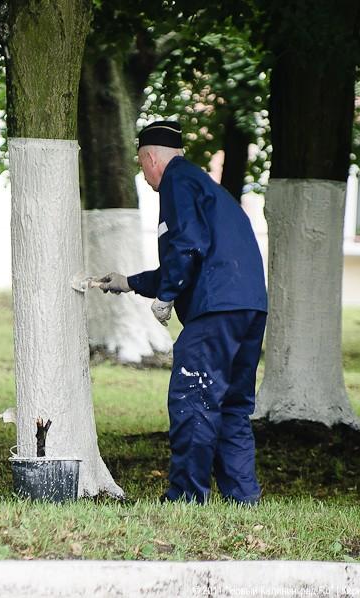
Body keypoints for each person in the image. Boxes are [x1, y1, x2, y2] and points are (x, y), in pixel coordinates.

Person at [90, 120, 268, 505]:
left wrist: (166, 296)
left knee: (194, 399)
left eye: (142, 165)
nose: (146, 175)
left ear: (151, 157)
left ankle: (186, 496)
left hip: (215, 310)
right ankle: (243, 498)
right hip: (248, 308)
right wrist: (129, 282)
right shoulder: (207, 188)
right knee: (233, 406)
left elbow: (187, 245)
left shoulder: (176, 181)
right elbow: (189, 257)